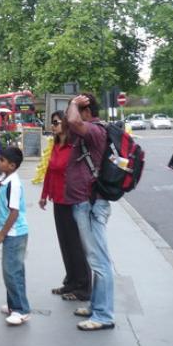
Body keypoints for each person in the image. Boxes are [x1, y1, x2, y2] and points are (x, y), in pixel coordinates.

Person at [65, 93, 114, 331]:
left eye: (76, 109)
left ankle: (104, 315)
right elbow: (69, 124)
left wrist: (73, 103)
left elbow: (73, 122)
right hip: (85, 202)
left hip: (91, 203)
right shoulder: (91, 131)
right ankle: (97, 306)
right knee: (95, 259)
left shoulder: (95, 130)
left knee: (100, 261)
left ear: (86, 111)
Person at [39, 111, 91, 302]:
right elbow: (50, 171)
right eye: (52, 123)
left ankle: (83, 287)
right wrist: (44, 195)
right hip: (58, 200)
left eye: (56, 123)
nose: (53, 126)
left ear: (66, 124)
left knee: (76, 244)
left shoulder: (74, 146)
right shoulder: (56, 145)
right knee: (65, 243)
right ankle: (70, 281)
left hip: (73, 200)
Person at [0, 146, 30, 326]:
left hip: (15, 233)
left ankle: (21, 310)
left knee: (11, 271)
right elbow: (4, 211)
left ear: (12, 165)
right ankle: (13, 305)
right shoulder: (4, 180)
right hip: (10, 231)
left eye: (2, 160)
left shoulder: (13, 184)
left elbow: (14, 213)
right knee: (13, 270)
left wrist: (2, 233)